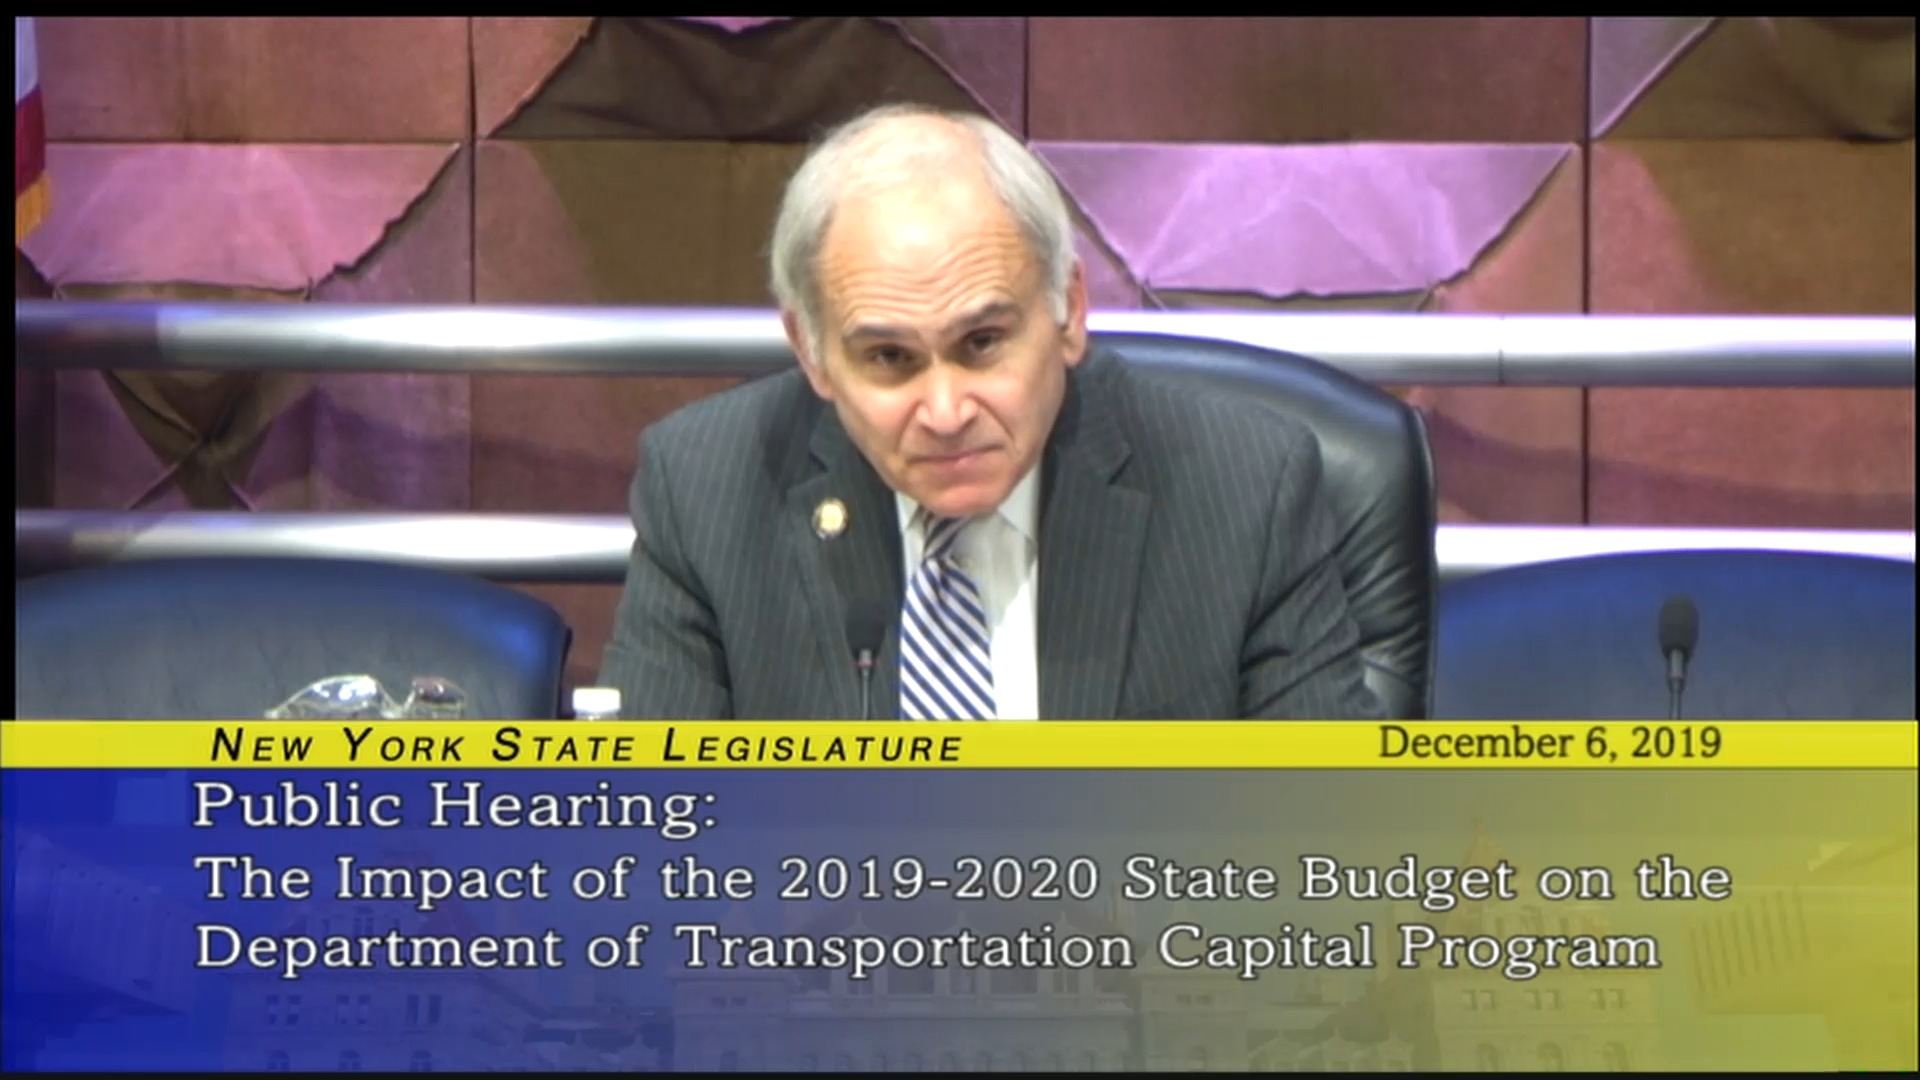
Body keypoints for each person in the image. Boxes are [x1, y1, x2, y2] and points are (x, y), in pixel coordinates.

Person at [598, 102, 1383, 721]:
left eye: (981, 344)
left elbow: (1328, 832)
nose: (945, 412)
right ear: (811, 353)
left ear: (1068, 311)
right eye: (889, 358)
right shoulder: (706, 491)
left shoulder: (1244, 490)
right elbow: (649, 830)